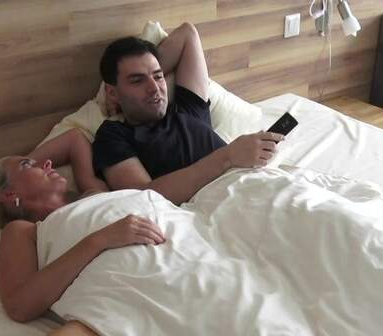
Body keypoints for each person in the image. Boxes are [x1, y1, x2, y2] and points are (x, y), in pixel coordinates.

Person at [0, 23, 281, 336]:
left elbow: (74, 139)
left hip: (185, 267)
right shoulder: (24, 230)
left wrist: (131, 88)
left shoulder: (93, 189)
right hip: (120, 306)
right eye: (29, 165)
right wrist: (98, 240)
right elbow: (21, 304)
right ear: (9, 196)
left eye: (40, 160)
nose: (45, 163)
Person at [93, 22, 285, 203]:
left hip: (261, 184)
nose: (154, 88)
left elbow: (188, 34)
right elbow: (143, 197)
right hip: (224, 201)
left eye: (158, 76)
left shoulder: (187, 108)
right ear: (112, 92)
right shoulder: (113, 135)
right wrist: (228, 156)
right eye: (137, 80)